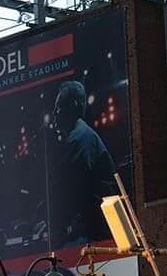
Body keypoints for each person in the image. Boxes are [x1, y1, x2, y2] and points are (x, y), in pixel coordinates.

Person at [47, 79, 117, 246]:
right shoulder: (81, 136)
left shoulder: (80, 140)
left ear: (74, 105)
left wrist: (56, 226)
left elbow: (66, 192)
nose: (55, 112)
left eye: (60, 105)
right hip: (92, 226)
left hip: (94, 232)